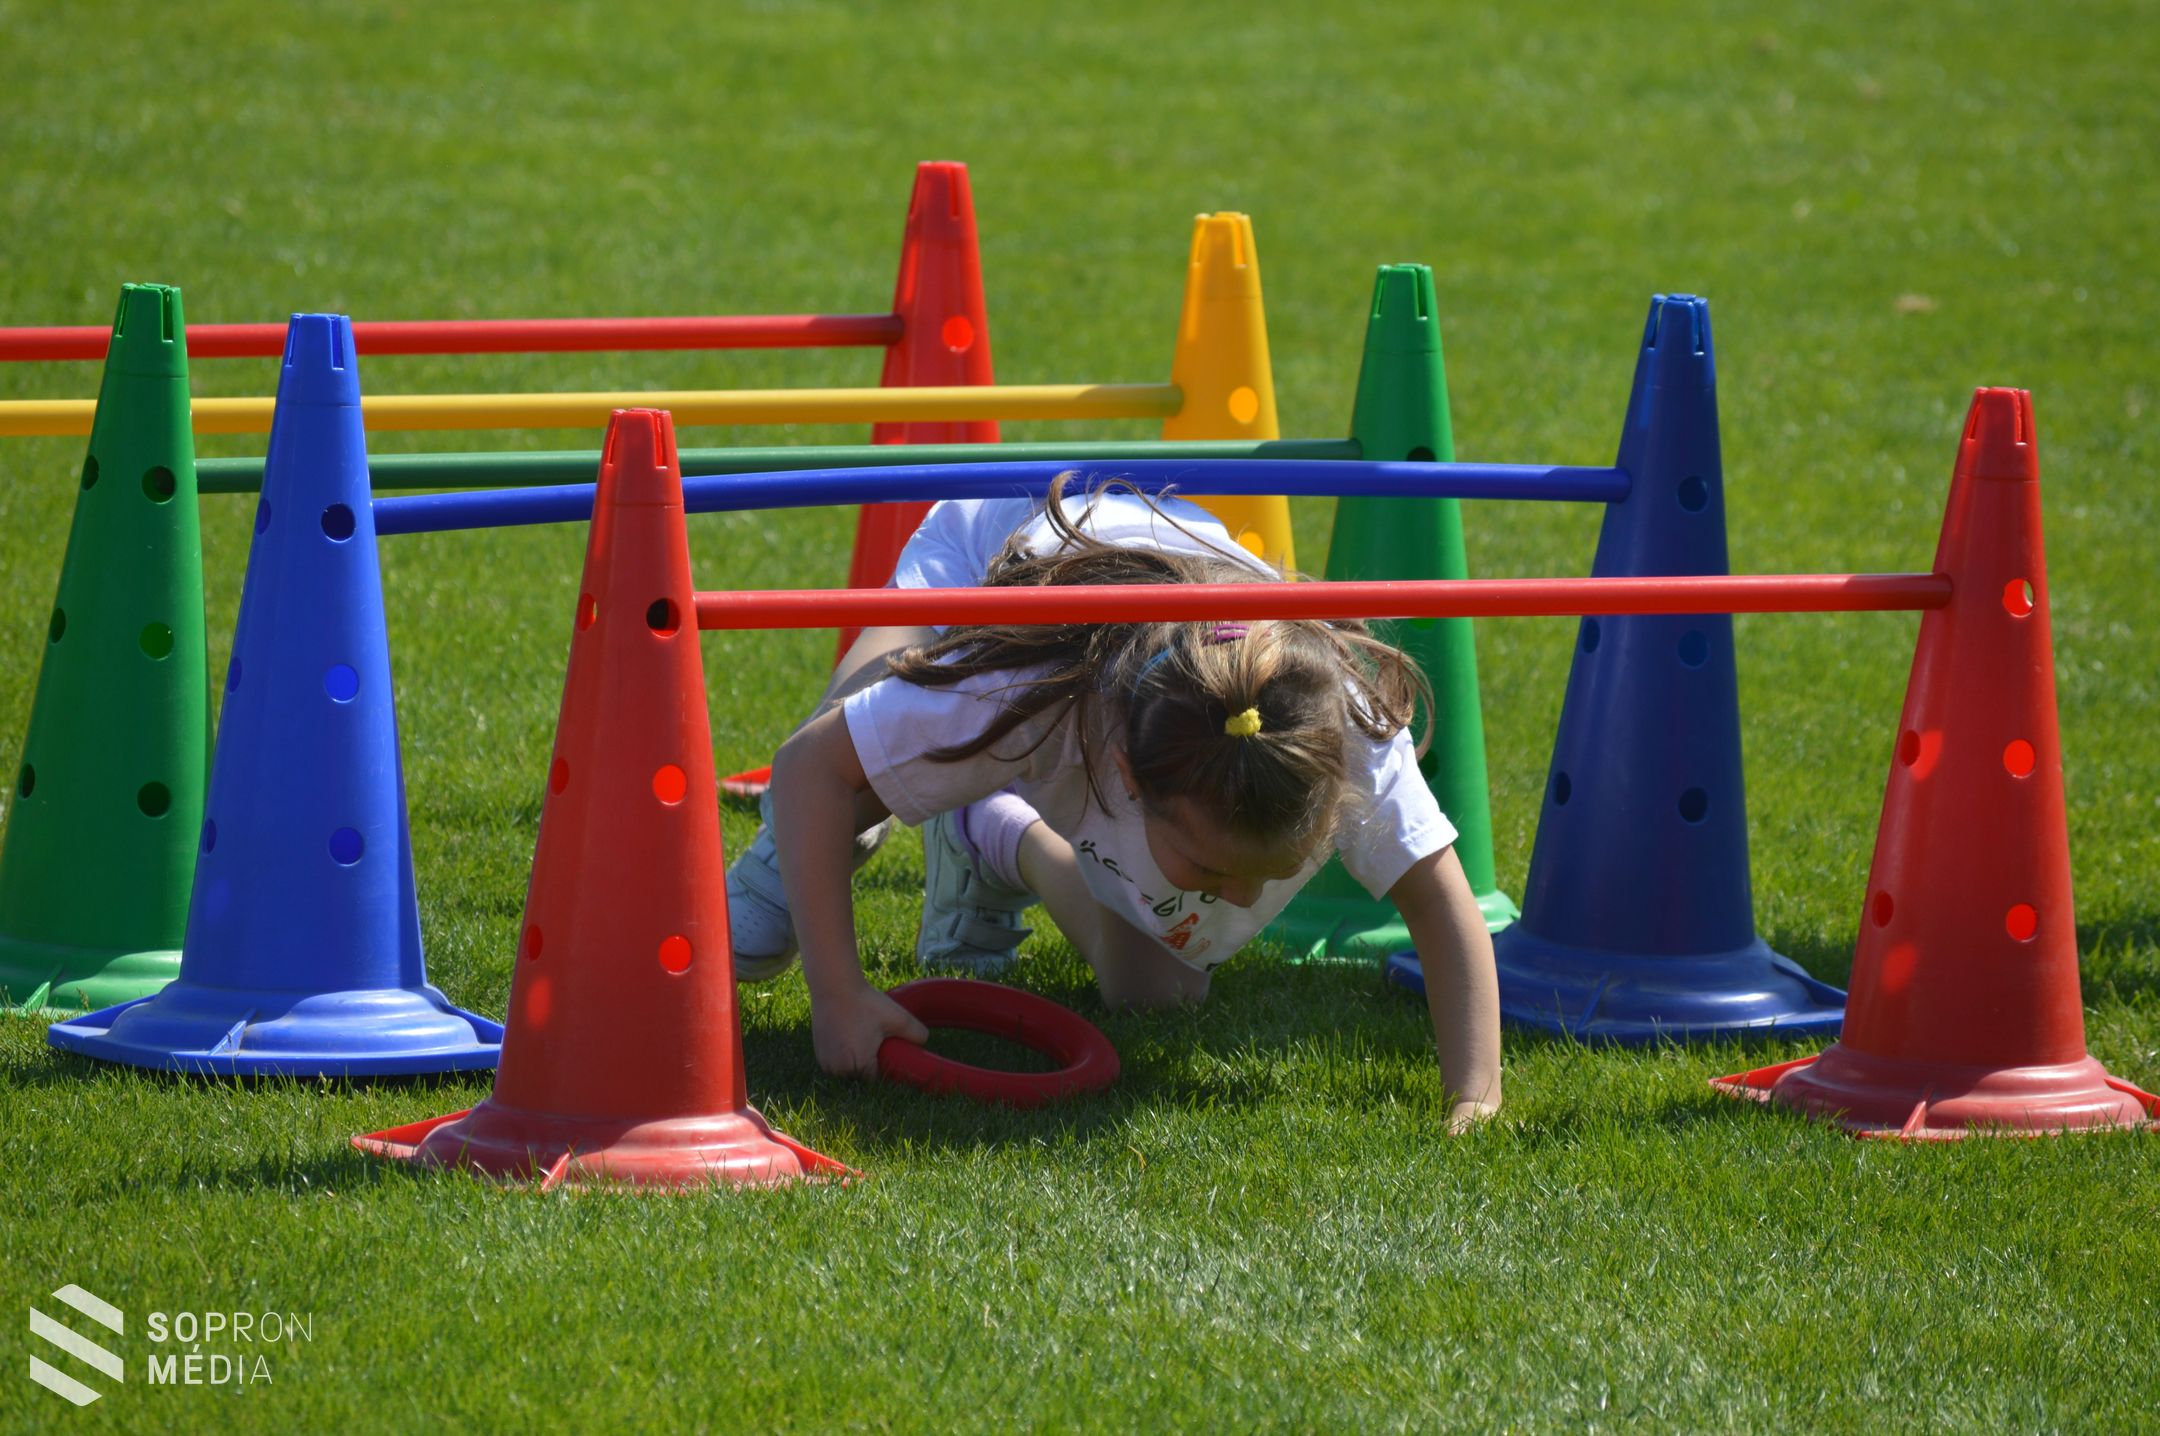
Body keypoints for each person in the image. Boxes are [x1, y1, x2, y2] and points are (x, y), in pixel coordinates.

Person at [726, 479, 1501, 1132]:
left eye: (1273, 872)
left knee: (1156, 995)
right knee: (841, 777)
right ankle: (801, 850)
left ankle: (991, 830)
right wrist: (838, 996)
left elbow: (1440, 901)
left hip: (1140, 638)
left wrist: (1476, 1100)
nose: (1237, 898)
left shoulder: (1339, 725)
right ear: (1129, 776)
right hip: (983, 562)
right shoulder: (1022, 687)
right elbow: (806, 769)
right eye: (1215, 866)